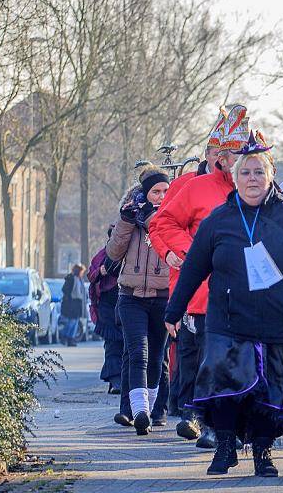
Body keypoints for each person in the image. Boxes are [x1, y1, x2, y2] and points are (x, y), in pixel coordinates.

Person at [163, 132, 283, 477]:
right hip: (227, 321)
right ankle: (223, 449)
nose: (252, 179)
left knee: (269, 390)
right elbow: (193, 267)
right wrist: (173, 310)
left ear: (270, 176)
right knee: (223, 386)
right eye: (245, 172)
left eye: (258, 172)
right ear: (235, 179)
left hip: (277, 320)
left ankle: (263, 454)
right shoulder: (217, 221)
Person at [149, 105, 250, 448]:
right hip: (205, 292)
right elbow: (162, 223)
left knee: (240, 361)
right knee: (208, 357)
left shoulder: (260, 186)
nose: (239, 160)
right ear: (219, 156)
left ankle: (233, 424)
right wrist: (186, 252)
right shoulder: (194, 187)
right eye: (232, 153)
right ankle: (209, 424)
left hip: (249, 294)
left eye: (243, 152)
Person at [149, 122, 222, 443]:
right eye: (220, 152)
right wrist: (171, 253)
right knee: (189, 353)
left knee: (214, 352)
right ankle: (190, 411)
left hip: (228, 289)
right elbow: (159, 225)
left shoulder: (247, 185)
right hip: (191, 284)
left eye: (233, 153)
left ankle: (207, 420)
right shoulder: (187, 185)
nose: (227, 159)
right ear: (208, 153)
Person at [106, 165, 171, 435]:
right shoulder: (130, 216)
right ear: (145, 193)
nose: (161, 196)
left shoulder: (172, 218)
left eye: (166, 191)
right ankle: (139, 411)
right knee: (137, 353)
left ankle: (152, 408)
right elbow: (113, 253)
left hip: (162, 296)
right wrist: (125, 222)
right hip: (131, 296)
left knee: (157, 356)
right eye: (156, 191)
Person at [88, 232, 123, 395]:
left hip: (129, 300)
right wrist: (101, 271)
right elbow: (92, 274)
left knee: (128, 344)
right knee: (113, 343)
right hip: (108, 305)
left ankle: (124, 380)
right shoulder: (103, 254)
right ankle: (116, 380)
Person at [60, 264, 86, 346]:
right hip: (72, 303)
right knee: (72, 321)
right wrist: (68, 299)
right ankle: (65, 336)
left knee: (75, 321)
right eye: (81, 271)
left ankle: (70, 338)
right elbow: (65, 290)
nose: (82, 273)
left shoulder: (80, 279)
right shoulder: (71, 278)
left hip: (78, 303)